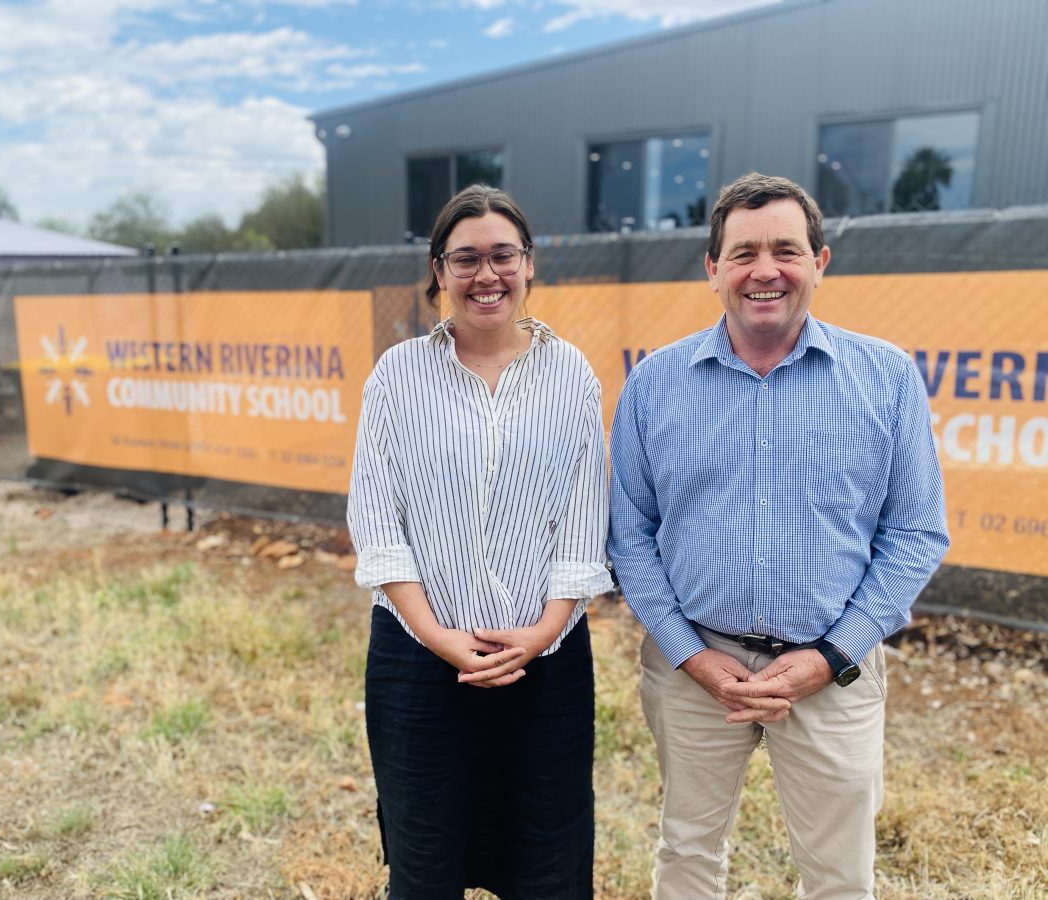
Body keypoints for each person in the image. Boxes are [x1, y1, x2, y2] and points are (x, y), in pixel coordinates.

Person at [608, 172, 950, 900]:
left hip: (834, 669)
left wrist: (830, 655)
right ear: (713, 270)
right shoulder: (654, 385)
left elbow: (916, 532)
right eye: (743, 253)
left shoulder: (885, 378)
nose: (766, 271)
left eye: (787, 250)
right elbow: (631, 535)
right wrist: (688, 653)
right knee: (689, 851)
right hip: (695, 668)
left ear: (821, 263)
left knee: (839, 876)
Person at [347, 184, 612, 899]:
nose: (485, 275)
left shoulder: (571, 375)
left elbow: (585, 523)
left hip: (545, 660)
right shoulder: (398, 376)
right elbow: (377, 520)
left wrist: (542, 632)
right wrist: (437, 635)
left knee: (547, 859)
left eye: (503, 256)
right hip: (418, 659)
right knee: (426, 857)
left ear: (530, 265)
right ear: (438, 271)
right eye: (465, 258)